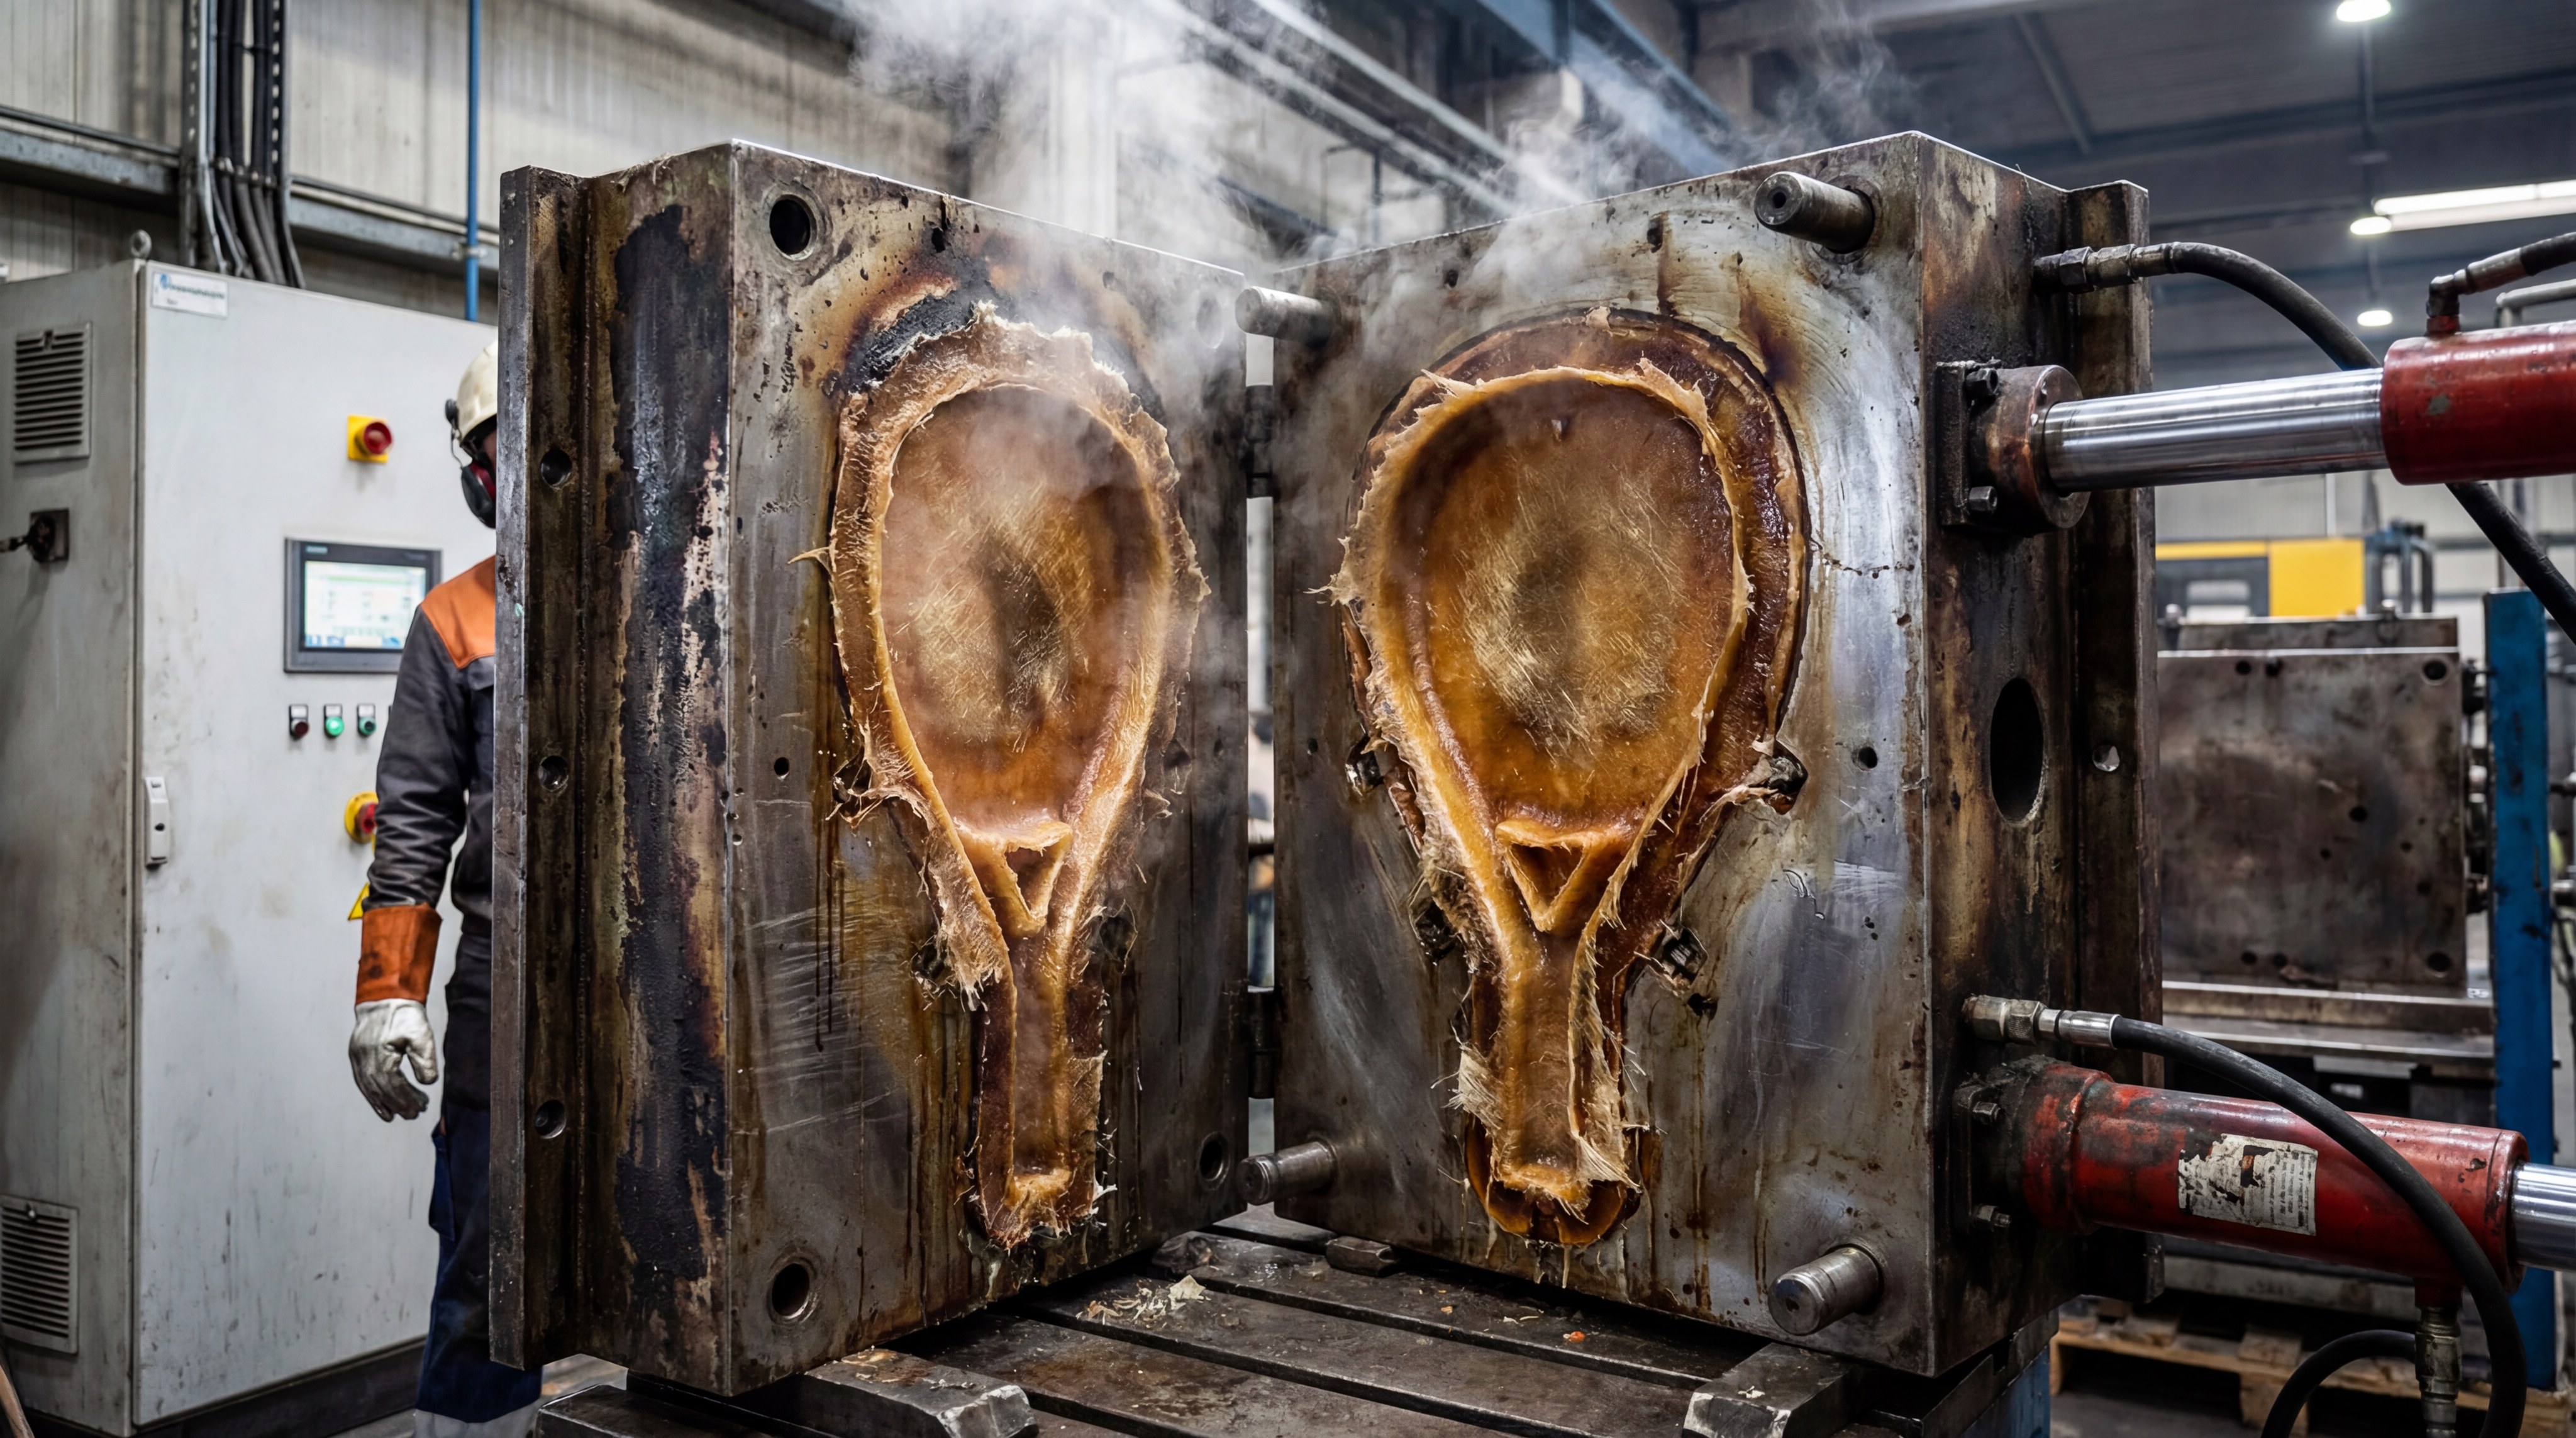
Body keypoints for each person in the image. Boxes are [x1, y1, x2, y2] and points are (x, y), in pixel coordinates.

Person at [345, 338, 541, 1438]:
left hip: (655, 993)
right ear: (480, 475)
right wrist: (387, 991)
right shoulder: (454, 620)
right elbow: (413, 820)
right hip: (500, 1001)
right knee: (486, 1266)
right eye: (501, 451)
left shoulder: (667, 588)